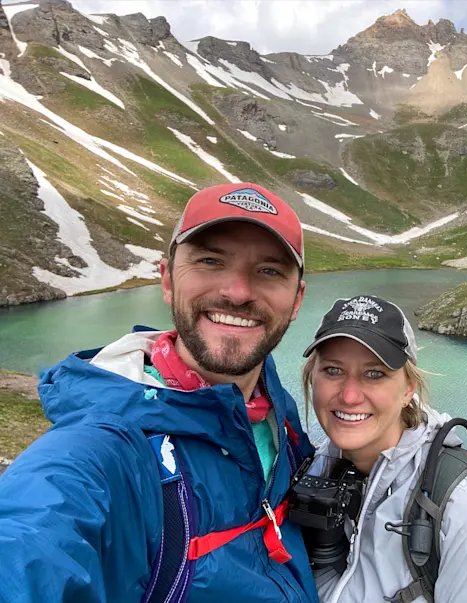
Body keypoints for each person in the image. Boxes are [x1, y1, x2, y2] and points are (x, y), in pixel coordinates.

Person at [0, 183, 320, 603]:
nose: (238, 292)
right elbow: (29, 543)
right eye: (209, 260)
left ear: (296, 301)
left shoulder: (273, 403)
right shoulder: (103, 447)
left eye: (269, 271)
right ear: (167, 279)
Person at [300, 295, 467, 603]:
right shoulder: (311, 466)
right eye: (332, 370)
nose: (350, 395)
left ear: (409, 389)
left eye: (374, 374)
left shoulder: (465, 505)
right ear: (312, 376)